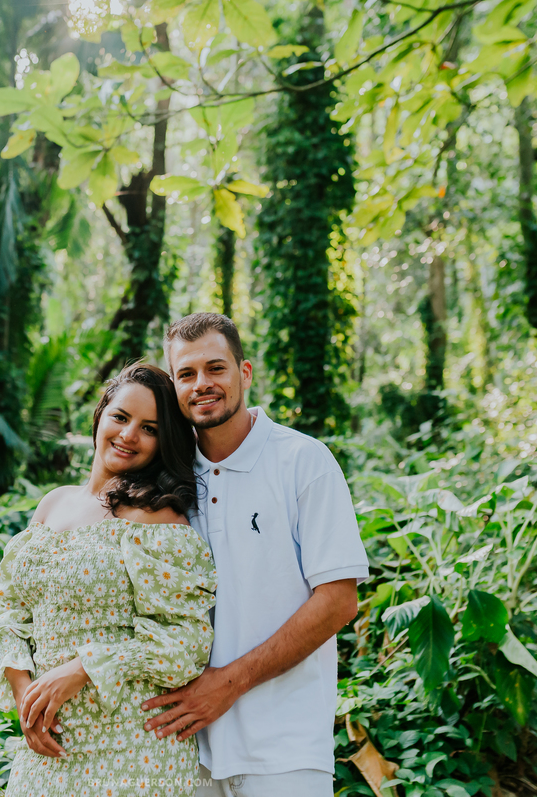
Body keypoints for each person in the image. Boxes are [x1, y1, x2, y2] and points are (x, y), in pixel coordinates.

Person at [143, 313, 369, 797]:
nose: (201, 384)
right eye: (186, 374)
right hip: (184, 750)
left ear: (244, 373)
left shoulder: (303, 461)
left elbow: (338, 601)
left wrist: (226, 684)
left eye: (215, 368)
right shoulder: (170, 481)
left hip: (284, 751)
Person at [0, 363, 218, 797]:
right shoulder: (53, 504)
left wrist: (84, 667)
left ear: (163, 443)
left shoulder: (157, 520)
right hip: (47, 749)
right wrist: (25, 699)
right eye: (121, 417)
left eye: (149, 428)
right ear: (101, 414)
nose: (129, 435)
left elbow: (186, 642)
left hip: (131, 750)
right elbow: (11, 614)